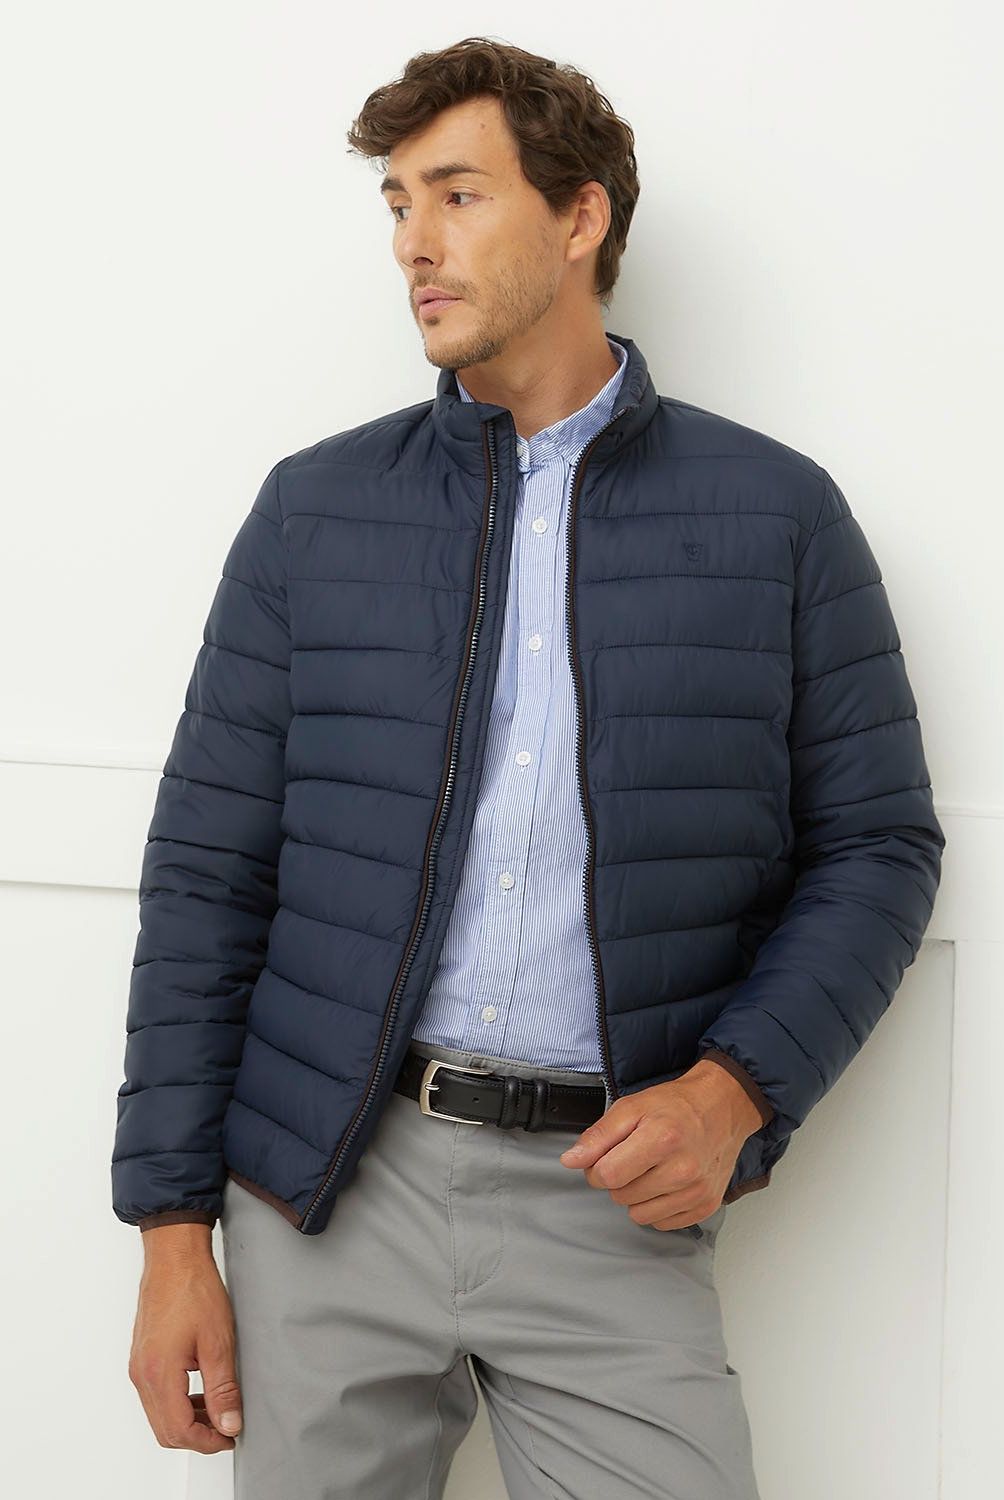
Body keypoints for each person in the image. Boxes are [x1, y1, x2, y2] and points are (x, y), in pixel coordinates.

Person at [112, 35, 945, 1500]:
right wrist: (173, 1236)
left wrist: (733, 1093)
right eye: (397, 204)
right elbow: (205, 875)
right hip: (328, 1191)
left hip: (606, 1202)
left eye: (457, 194)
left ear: (580, 217)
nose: (413, 244)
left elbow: (879, 847)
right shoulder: (314, 513)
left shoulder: (779, 518)